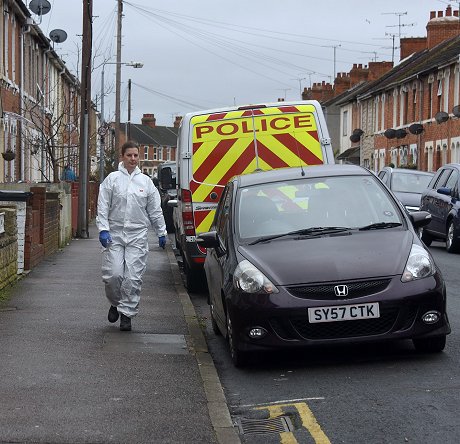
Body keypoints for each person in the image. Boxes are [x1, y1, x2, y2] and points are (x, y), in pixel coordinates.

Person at [96, 140, 167, 331]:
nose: (133, 159)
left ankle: (126, 314)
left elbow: (155, 210)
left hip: (137, 235)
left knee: (132, 277)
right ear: (123, 156)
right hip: (115, 234)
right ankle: (115, 302)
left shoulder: (146, 182)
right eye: (129, 155)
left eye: (136, 155)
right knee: (114, 275)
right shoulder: (112, 180)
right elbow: (103, 206)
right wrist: (103, 229)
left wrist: (161, 232)